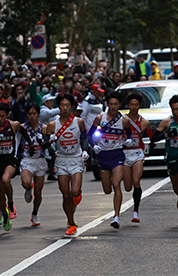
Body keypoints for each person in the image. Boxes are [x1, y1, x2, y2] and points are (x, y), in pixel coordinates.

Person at [0, 102, 34, 230]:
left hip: (10, 159)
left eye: (3, 116)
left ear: (7, 115)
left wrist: (31, 145)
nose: (0, 119)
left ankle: (10, 203)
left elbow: (24, 132)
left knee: (6, 179)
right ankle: (4, 215)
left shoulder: (13, 125)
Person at [45, 94, 90, 236]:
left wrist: (85, 150)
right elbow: (44, 144)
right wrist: (50, 141)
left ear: (72, 107)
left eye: (67, 105)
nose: (65, 108)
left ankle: (77, 197)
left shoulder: (79, 122)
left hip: (76, 159)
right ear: (59, 106)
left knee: (75, 191)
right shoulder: (52, 125)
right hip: (61, 161)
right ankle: (71, 223)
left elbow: (85, 138)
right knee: (65, 195)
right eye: (62, 105)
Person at [90, 91, 133, 229]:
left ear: (120, 105)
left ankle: (116, 216)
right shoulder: (99, 118)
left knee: (116, 184)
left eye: (116, 104)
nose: (113, 107)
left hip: (117, 155)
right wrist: (94, 146)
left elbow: (130, 134)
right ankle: (115, 213)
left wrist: (130, 141)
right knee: (107, 189)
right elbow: (89, 135)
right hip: (103, 155)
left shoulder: (124, 120)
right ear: (107, 104)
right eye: (111, 104)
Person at [122, 93, 153, 223]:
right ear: (128, 105)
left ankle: (136, 212)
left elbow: (152, 137)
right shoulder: (122, 120)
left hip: (138, 153)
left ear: (139, 106)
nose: (134, 107)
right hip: (124, 154)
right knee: (128, 187)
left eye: (136, 105)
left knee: (136, 181)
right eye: (131, 105)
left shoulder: (145, 123)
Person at [18, 103, 48, 226]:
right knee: (25, 182)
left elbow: (49, 141)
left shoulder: (44, 128)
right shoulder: (22, 127)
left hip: (40, 160)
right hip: (27, 159)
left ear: (38, 114)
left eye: (34, 113)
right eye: (29, 114)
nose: (32, 116)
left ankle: (35, 213)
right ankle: (28, 188)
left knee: (38, 193)